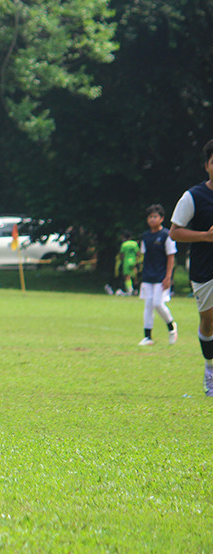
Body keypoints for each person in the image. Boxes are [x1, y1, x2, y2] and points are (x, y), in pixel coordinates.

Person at [169, 138, 213, 396]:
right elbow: (175, 232)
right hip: (205, 268)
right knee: (208, 322)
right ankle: (210, 368)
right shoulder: (193, 196)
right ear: (207, 166)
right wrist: (205, 236)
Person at [137, 204, 177, 346]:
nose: (152, 219)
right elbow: (143, 255)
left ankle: (171, 326)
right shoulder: (146, 236)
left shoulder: (166, 235)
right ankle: (147, 337)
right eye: (150, 217)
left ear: (161, 218)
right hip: (148, 276)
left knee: (158, 304)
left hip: (161, 276)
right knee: (148, 305)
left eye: (155, 216)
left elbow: (171, 256)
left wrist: (168, 277)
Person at [115, 230, 140, 295]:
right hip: (134, 261)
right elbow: (138, 253)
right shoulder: (135, 243)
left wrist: (121, 260)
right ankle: (136, 290)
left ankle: (130, 290)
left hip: (126, 261)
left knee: (127, 276)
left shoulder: (124, 244)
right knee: (135, 276)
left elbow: (121, 255)